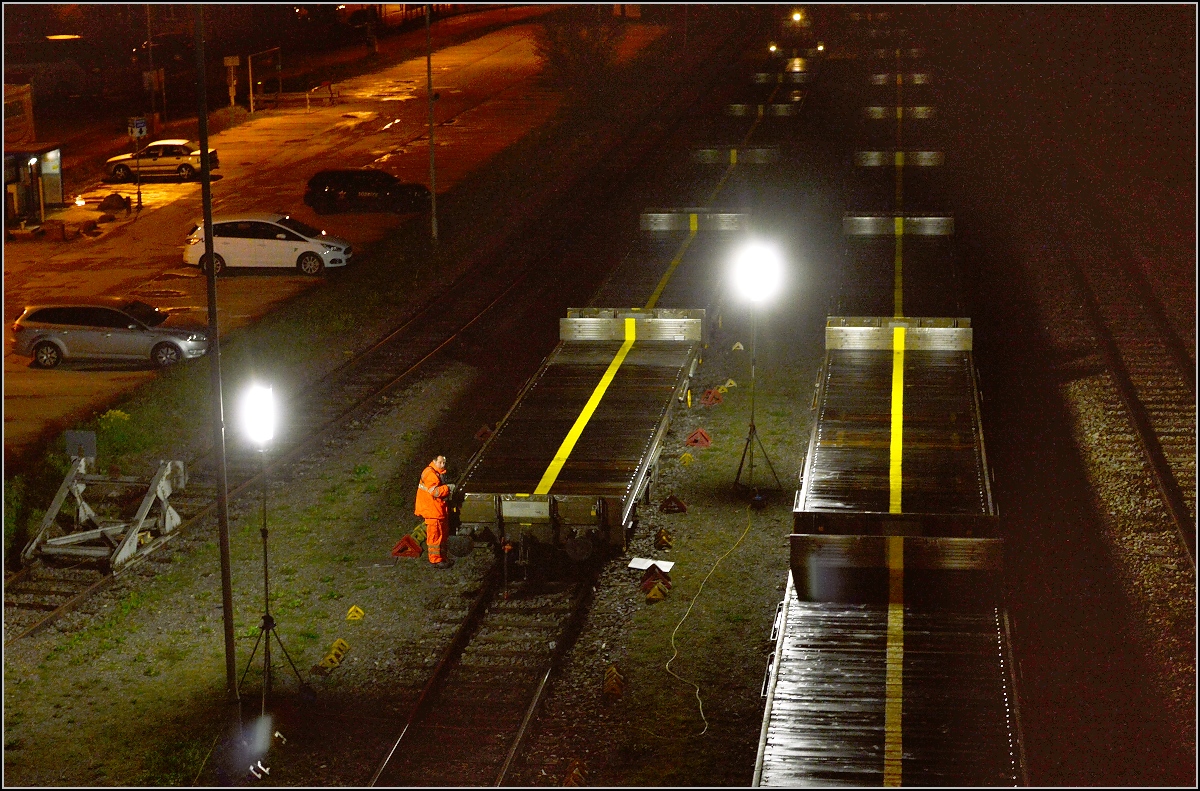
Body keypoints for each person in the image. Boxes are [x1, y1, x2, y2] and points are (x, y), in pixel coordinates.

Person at [415, 455, 455, 568]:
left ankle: (441, 558)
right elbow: (435, 492)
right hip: (432, 511)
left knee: (441, 536)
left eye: (444, 463)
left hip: (436, 510)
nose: (442, 465)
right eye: (440, 462)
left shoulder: (433, 473)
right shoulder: (431, 475)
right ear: (434, 461)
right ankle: (435, 560)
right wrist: (447, 488)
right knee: (435, 538)